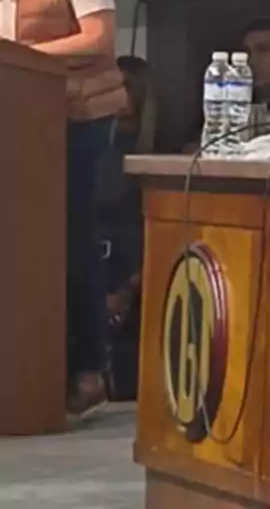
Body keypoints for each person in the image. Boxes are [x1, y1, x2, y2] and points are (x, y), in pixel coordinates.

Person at [0, 0, 124, 418]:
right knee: (24, 245)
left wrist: (24, 55)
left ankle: (89, 366)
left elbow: (98, 38)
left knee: (71, 237)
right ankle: (28, 367)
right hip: (24, 119)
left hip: (76, 116)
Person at [97, 55, 156, 401]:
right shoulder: (92, 148)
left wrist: (128, 287)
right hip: (93, 268)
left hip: (137, 273)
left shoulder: (154, 153)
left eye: (125, 86)